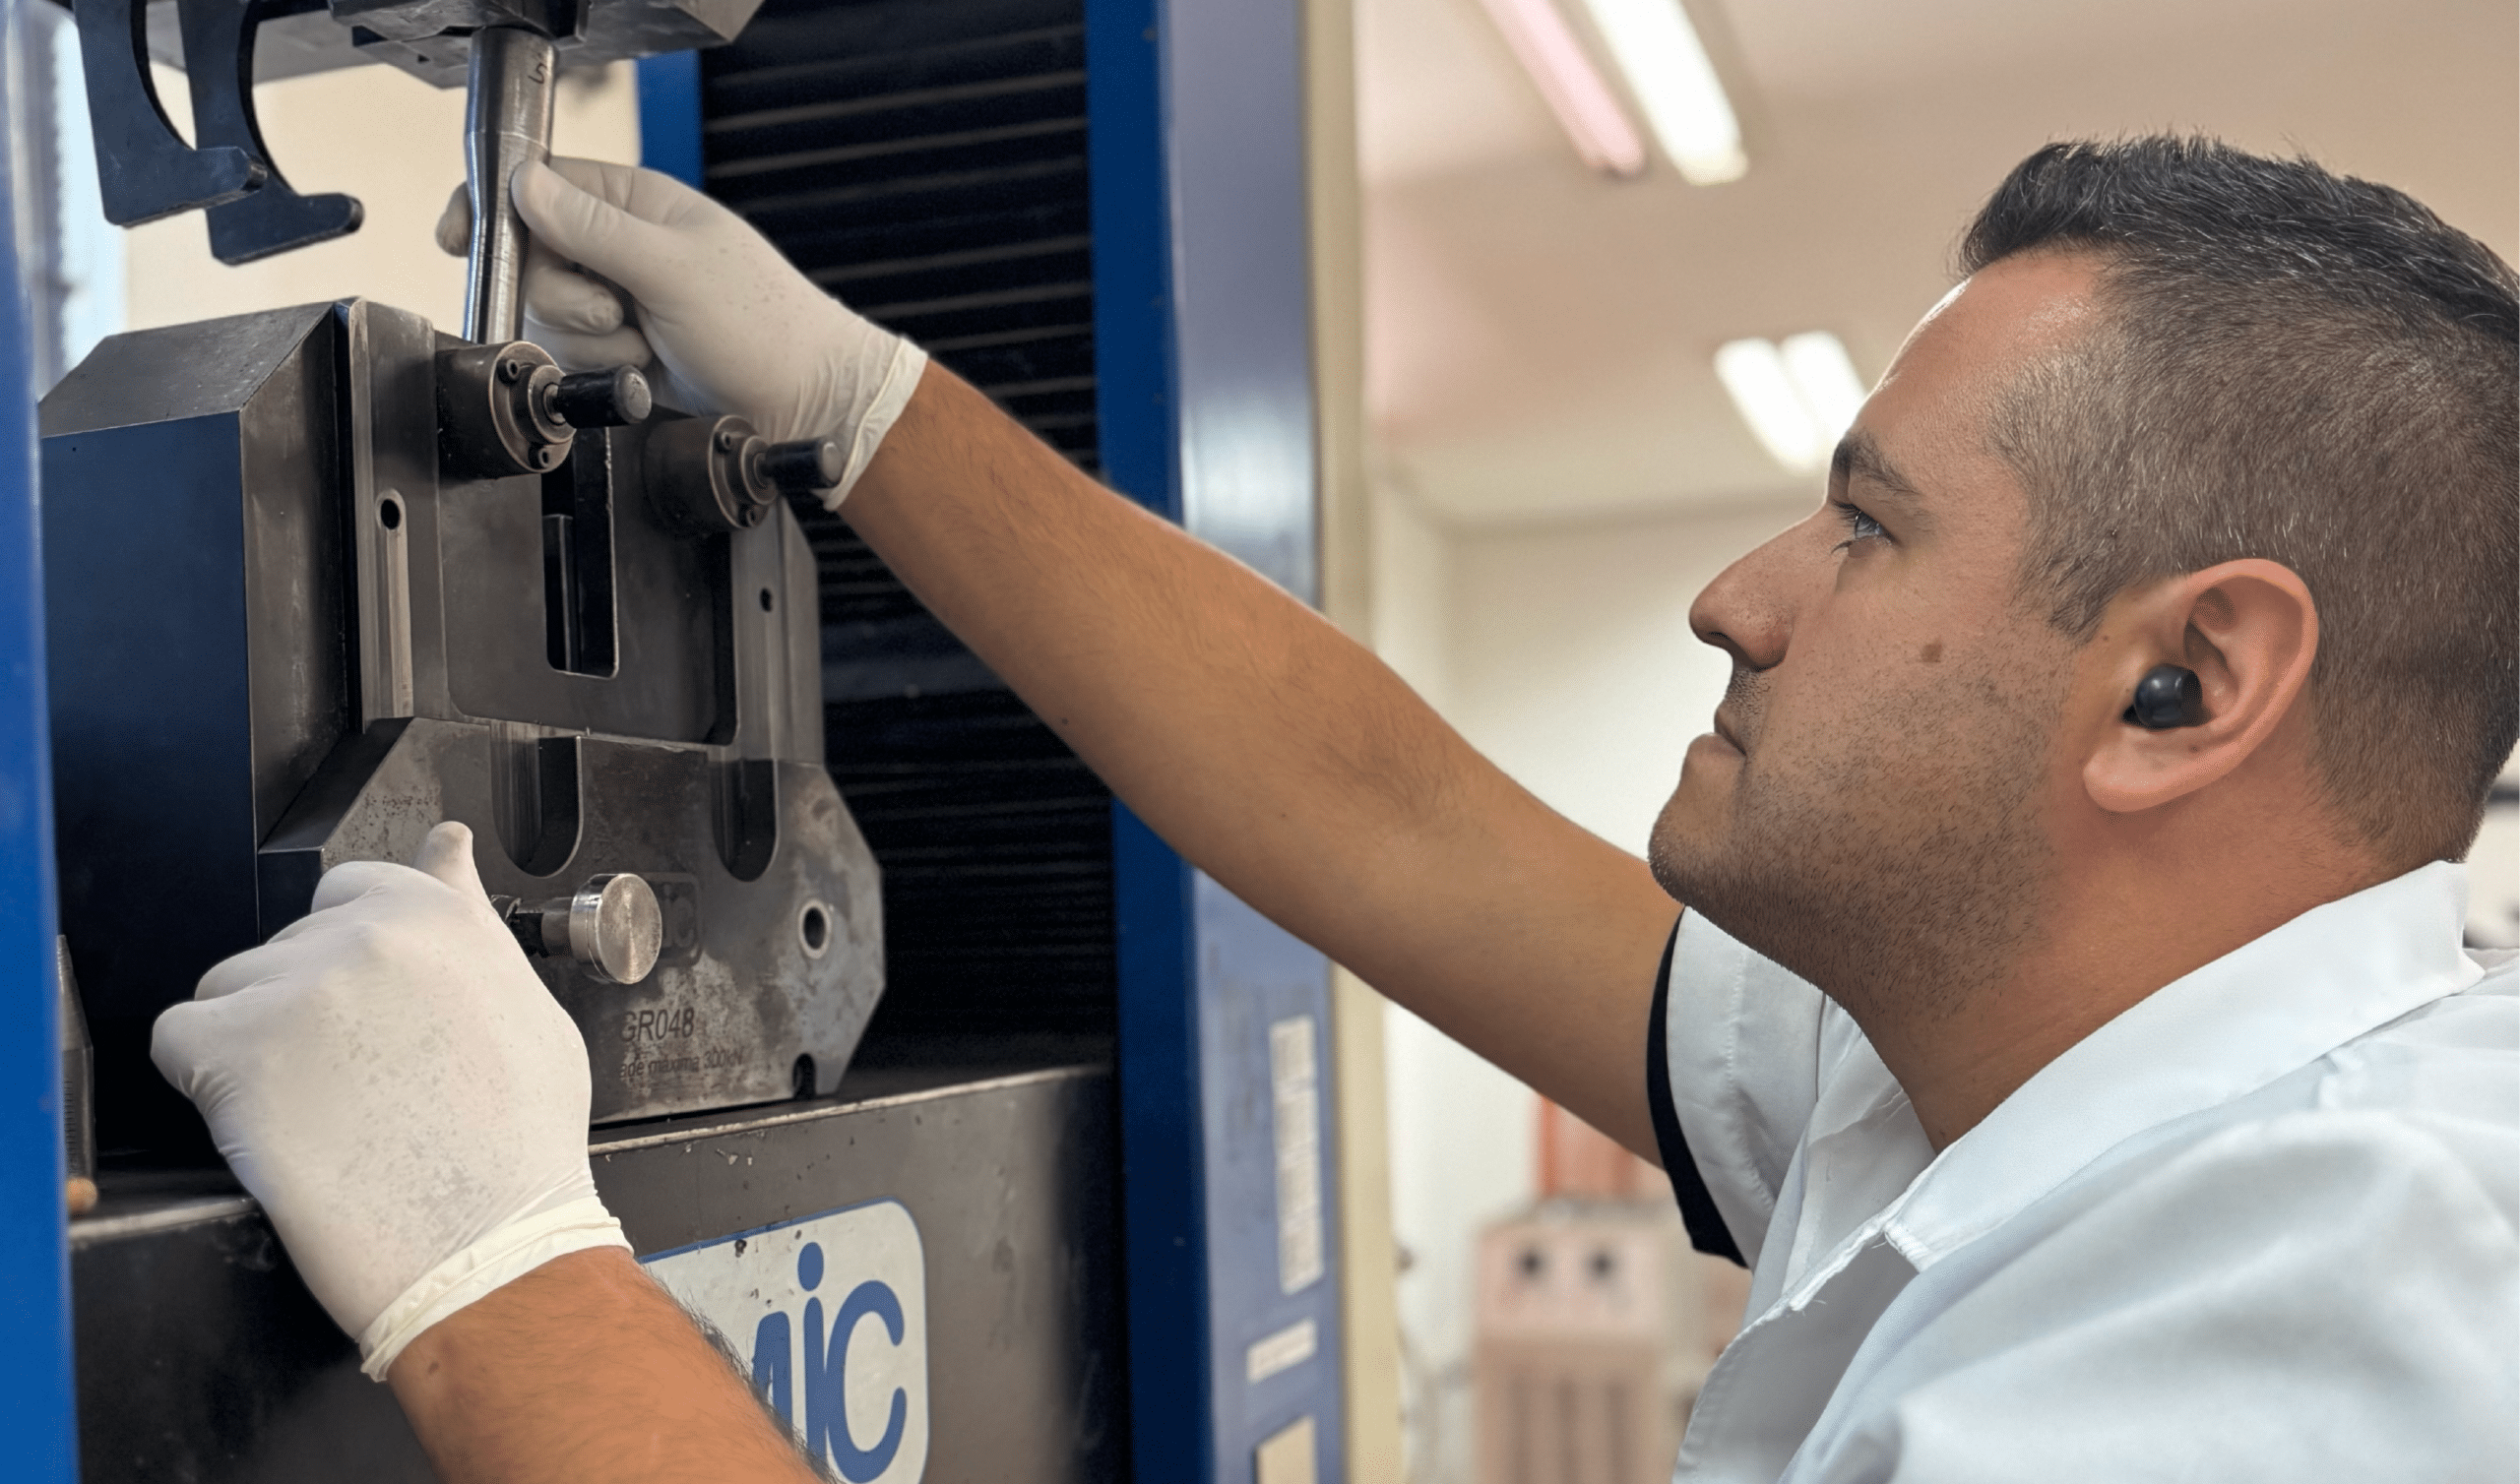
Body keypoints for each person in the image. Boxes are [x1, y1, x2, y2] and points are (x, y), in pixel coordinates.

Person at [151, 137, 2518, 1484]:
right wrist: (860, 406)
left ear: (2186, 681)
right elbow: (1392, 820)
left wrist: (492, 1279)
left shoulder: (2317, 1338)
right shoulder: (2024, 1060)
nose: (1738, 595)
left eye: (1864, 527)